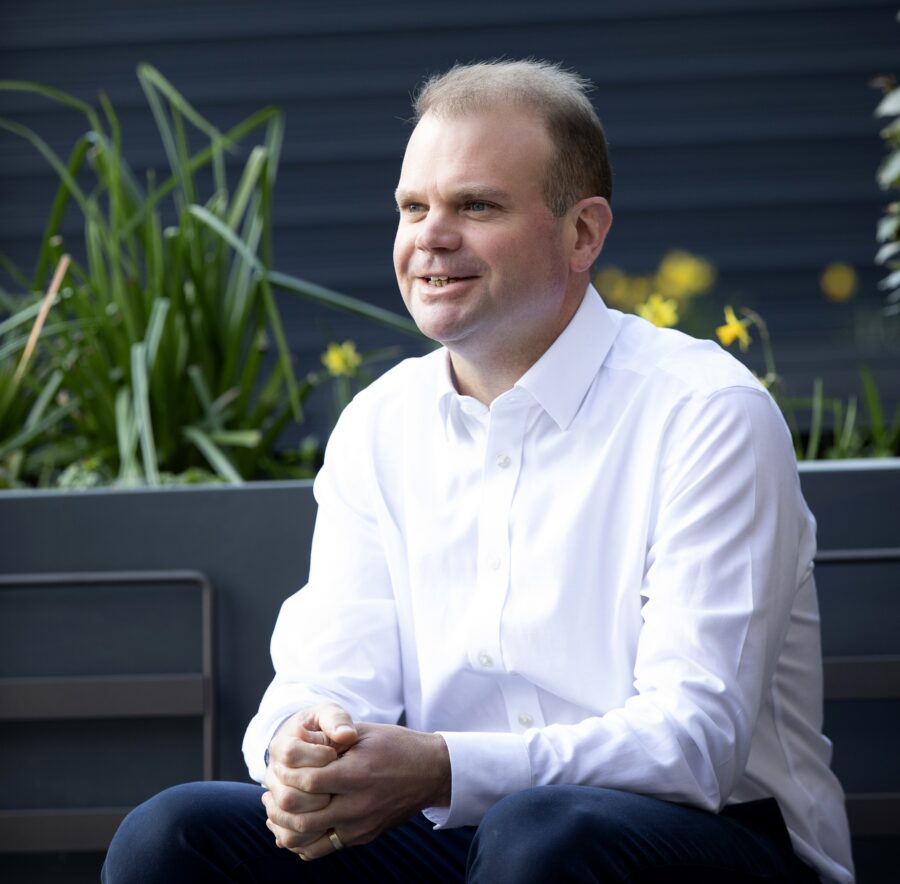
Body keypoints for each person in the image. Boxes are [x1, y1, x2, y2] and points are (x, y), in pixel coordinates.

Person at [103, 59, 854, 883]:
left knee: (538, 838)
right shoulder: (379, 426)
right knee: (170, 836)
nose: (430, 236)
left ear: (583, 233)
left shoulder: (707, 413)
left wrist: (441, 768)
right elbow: (324, 675)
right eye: (413, 207)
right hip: (457, 839)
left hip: (708, 840)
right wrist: (303, 748)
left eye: (476, 206)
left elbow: (693, 745)